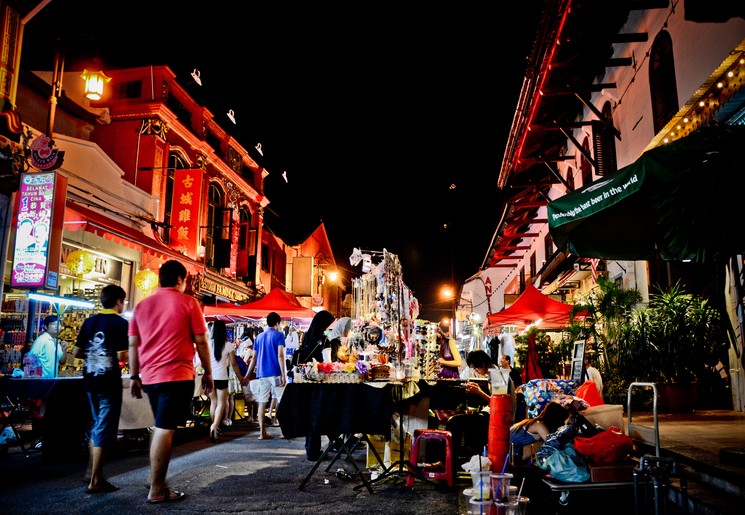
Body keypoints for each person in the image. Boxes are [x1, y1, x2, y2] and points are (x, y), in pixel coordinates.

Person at [128, 260, 214, 505]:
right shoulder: (189, 303)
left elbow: (133, 345)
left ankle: (158, 479)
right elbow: (201, 341)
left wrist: (135, 376)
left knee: (160, 427)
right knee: (165, 429)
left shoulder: (142, 306)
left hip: (150, 378)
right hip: (177, 376)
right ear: (180, 279)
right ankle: (156, 488)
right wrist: (207, 372)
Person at [73, 285, 129, 494]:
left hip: (90, 381)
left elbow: (77, 352)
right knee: (104, 430)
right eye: (123, 302)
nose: (123, 306)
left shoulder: (89, 321)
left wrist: (93, 355)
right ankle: (96, 480)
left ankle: (91, 471)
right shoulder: (121, 324)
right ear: (118, 302)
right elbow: (122, 357)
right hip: (108, 382)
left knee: (97, 426)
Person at [295, 309, 335, 460]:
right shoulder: (324, 340)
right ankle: (319, 449)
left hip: (306, 380)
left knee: (310, 416)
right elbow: (327, 363)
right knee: (319, 415)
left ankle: (310, 449)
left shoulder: (307, 336)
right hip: (319, 382)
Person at [245, 312, 286, 440]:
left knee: (262, 401)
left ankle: (262, 432)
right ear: (277, 323)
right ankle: (285, 431)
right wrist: (284, 373)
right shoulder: (279, 335)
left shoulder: (259, 337)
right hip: (275, 372)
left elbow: (254, 359)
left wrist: (246, 376)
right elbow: (280, 355)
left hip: (262, 374)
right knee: (281, 400)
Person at [207, 320, 246, 443]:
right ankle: (215, 426)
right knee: (222, 403)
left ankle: (214, 425)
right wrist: (241, 378)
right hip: (222, 377)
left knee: (213, 403)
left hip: (210, 377)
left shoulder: (207, 344)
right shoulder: (228, 345)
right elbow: (234, 364)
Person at [501, 354, 525, 421]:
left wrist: (514, 393)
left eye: (503, 359)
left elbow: (519, 384)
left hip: (513, 395)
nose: (501, 361)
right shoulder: (500, 372)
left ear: (507, 361)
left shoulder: (514, 372)